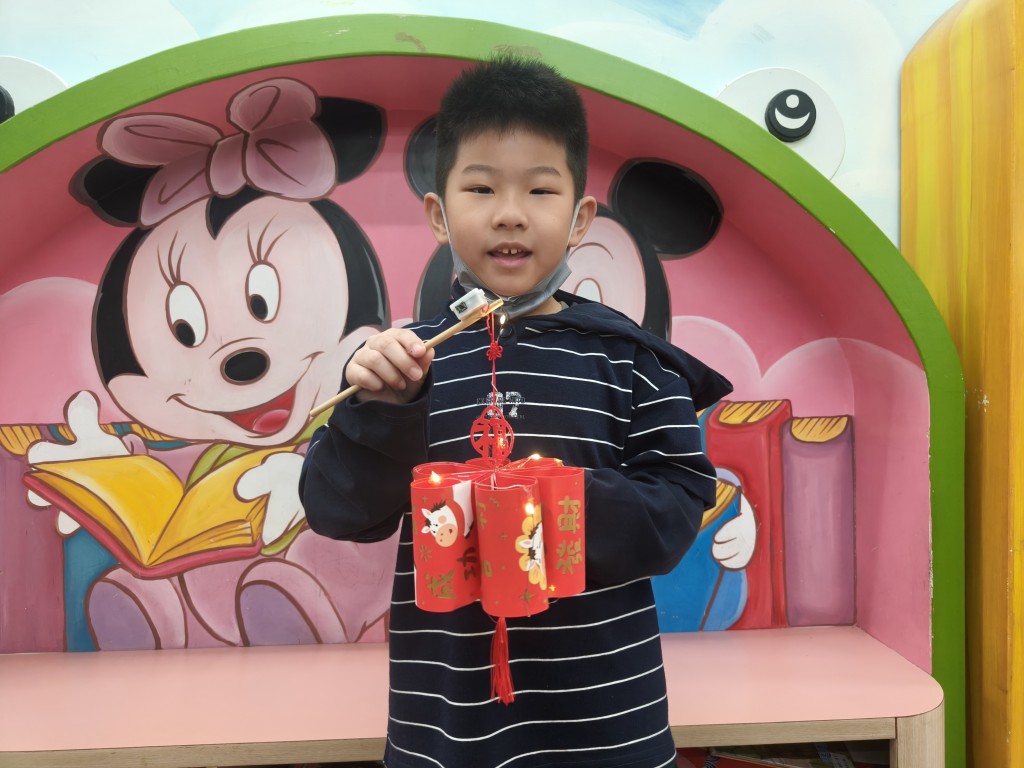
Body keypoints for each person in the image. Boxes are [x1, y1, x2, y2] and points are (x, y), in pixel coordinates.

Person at [299, 55, 732, 768]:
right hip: (447, 727)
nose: (509, 212)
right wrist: (382, 410)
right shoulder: (406, 364)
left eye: (540, 189)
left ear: (580, 217)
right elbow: (335, 511)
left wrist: (541, 502)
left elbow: (679, 510)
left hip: (605, 725)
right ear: (439, 215)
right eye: (480, 187)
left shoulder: (634, 361)